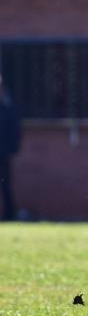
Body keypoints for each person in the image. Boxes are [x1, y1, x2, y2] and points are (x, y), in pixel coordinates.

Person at [0, 74, 21, 221]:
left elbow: (14, 129)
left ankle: (9, 214)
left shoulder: (7, 107)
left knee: (5, 184)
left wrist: (13, 148)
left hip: (3, 153)